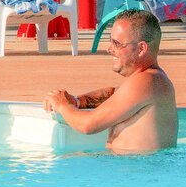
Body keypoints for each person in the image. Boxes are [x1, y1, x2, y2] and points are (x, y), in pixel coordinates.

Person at [43, 8, 177, 153]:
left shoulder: (148, 81)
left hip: (137, 165)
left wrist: (63, 105)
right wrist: (76, 101)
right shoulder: (150, 80)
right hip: (131, 163)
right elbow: (113, 93)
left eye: (117, 43)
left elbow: (88, 125)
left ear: (141, 49)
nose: (109, 49)